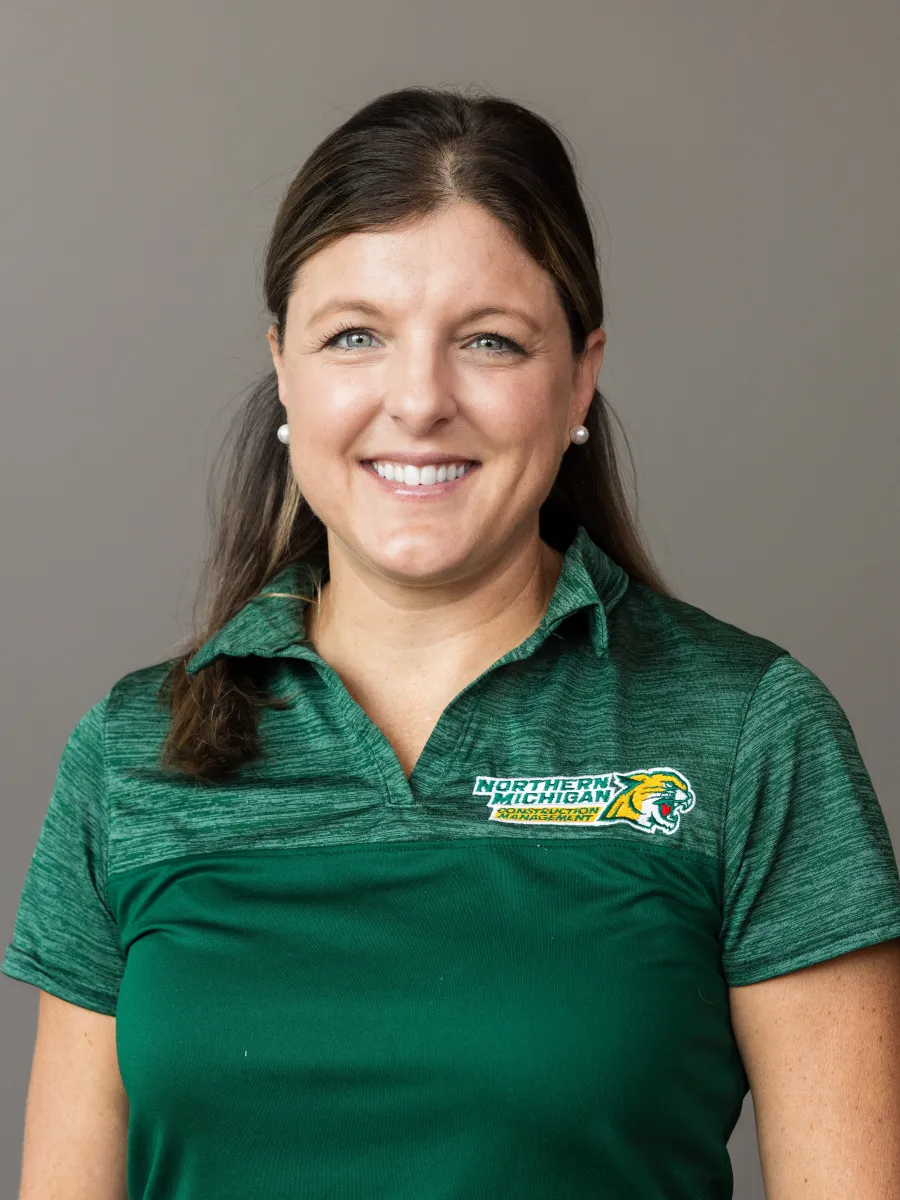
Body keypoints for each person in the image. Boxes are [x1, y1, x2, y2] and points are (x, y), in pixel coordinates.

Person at [3, 85, 900, 1200]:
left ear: (581, 375)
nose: (419, 401)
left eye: (488, 341)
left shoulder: (750, 730)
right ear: (283, 365)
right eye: (355, 337)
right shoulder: (128, 756)